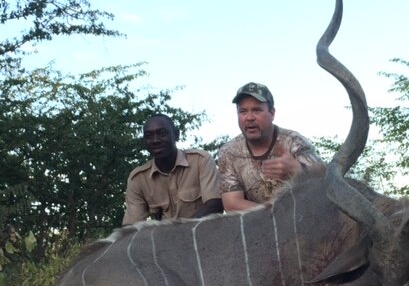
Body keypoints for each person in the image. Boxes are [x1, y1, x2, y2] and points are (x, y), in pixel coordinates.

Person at [218, 82, 323, 211]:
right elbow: (232, 204)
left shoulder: (294, 141)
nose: (249, 118)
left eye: (257, 110)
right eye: (243, 111)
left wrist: (297, 170)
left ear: (272, 113)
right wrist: (275, 214)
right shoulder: (228, 152)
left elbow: (325, 181)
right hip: (258, 224)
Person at [122, 114, 223, 225]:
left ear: (176, 135)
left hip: (203, 235)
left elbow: (215, 204)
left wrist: (178, 233)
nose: (155, 140)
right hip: (163, 239)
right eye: (149, 136)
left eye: (162, 133)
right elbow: (131, 226)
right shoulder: (137, 179)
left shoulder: (200, 160)